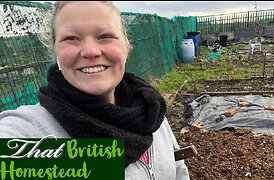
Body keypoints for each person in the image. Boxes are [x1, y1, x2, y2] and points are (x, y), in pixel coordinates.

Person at [0, 1, 190, 179]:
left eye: (105, 36)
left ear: (126, 46)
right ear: (55, 51)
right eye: (71, 38)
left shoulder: (150, 109)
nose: (90, 51)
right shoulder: (30, 131)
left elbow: (179, 170)